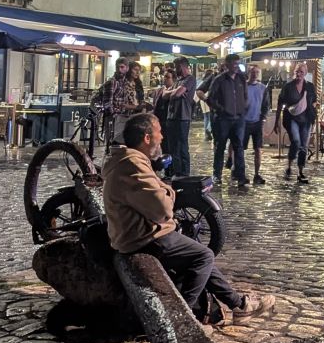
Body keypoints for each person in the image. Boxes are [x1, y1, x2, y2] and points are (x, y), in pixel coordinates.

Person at [102, 112, 273, 323]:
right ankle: (182, 317)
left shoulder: (129, 161)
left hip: (141, 232)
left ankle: (239, 305)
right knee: (204, 256)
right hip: (144, 238)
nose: (162, 137)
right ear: (147, 138)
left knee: (197, 252)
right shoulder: (132, 165)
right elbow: (163, 209)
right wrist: (169, 191)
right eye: (159, 132)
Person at [206, 53, 250, 189]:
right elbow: (210, 98)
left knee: (239, 147)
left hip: (239, 118)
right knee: (220, 146)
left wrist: (243, 109)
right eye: (234, 64)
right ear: (228, 65)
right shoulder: (219, 80)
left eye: (238, 64)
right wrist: (222, 109)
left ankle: (241, 176)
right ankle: (217, 174)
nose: (236, 67)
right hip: (224, 119)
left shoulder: (241, 79)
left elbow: (245, 95)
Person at [277, 63, 317, 184]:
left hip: (306, 119)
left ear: (305, 73)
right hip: (291, 118)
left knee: (304, 146)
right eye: (297, 72)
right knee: (296, 141)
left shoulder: (309, 87)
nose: (298, 74)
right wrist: (276, 121)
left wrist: (312, 109)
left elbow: (314, 101)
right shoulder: (288, 86)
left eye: (301, 72)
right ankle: (289, 165)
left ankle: (300, 171)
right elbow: (280, 102)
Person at [242, 64, 268, 185]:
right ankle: (241, 174)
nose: (254, 74)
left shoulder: (262, 88)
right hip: (244, 122)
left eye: (257, 72)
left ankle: (257, 174)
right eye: (253, 72)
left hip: (257, 122)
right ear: (248, 73)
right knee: (241, 149)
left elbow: (265, 105)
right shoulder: (243, 86)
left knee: (258, 149)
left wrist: (263, 118)